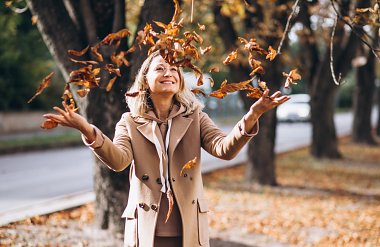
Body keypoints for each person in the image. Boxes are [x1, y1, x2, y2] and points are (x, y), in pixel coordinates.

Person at [43, 50, 289, 247]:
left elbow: (224, 148)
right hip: (146, 227)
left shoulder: (196, 117)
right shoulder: (129, 121)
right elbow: (119, 161)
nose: (168, 72)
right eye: (160, 68)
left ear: (180, 80)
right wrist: (87, 129)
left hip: (188, 225)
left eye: (174, 69)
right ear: (145, 80)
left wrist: (252, 115)